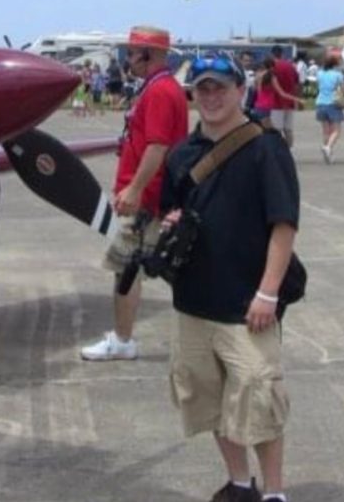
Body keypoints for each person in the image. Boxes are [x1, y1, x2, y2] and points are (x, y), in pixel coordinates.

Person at [160, 54, 299, 502]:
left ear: (241, 90)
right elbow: (168, 210)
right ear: (193, 94)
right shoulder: (182, 154)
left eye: (221, 87)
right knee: (210, 399)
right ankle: (240, 483)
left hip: (246, 304)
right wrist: (171, 221)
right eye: (203, 88)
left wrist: (267, 293)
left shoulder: (266, 148)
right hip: (193, 300)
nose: (212, 96)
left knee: (259, 400)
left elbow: (284, 225)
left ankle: (275, 491)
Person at [80, 26, 189, 361]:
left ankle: (123, 340)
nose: (128, 60)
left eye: (132, 53)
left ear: (149, 54)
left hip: (146, 199)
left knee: (125, 268)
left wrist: (135, 189)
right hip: (149, 196)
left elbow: (157, 146)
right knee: (141, 267)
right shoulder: (161, 88)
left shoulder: (159, 92)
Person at [269, 45, 303, 148]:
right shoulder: (291, 66)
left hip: (275, 102)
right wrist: (298, 100)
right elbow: (298, 84)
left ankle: (277, 150)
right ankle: (288, 149)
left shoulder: (272, 67)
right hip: (289, 102)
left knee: (276, 129)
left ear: (272, 54)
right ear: (282, 54)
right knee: (288, 129)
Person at [313, 54, 344, 164]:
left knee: (326, 131)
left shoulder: (320, 74)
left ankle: (327, 154)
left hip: (320, 102)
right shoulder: (338, 75)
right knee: (336, 130)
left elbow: (318, 86)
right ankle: (328, 147)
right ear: (335, 63)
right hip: (333, 102)